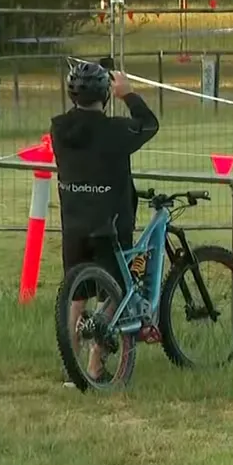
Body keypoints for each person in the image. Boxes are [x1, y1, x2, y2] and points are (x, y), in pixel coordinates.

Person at [51, 59, 159, 383]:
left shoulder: (58, 127)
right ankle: (96, 365)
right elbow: (149, 124)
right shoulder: (115, 130)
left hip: (73, 224)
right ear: (106, 96)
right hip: (110, 225)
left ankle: (71, 369)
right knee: (116, 292)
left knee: (76, 296)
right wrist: (128, 94)